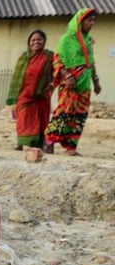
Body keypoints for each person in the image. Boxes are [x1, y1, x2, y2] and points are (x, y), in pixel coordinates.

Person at [44, 8, 102, 156]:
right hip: (70, 83)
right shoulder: (67, 39)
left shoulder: (88, 40)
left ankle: (71, 146)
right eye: (89, 21)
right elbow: (58, 60)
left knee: (79, 115)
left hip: (85, 84)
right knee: (64, 112)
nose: (92, 24)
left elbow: (91, 61)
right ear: (80, 22)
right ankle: (49, 142)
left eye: (93, 21)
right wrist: (68, 77)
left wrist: (96, 80)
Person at [6, 30, 54, 150]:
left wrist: (52, 84)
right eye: (33, 40)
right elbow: (16, 78)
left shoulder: (50, 56)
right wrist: (13, 98)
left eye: (39, 39)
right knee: (23, 118)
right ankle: (21, 142)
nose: (36, 42)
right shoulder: (23, 58)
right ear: (29, 42)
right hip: (25, 95)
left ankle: (39, 143)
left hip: (42, 96)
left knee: (41, 120)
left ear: (44, 41)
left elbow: (57, 72)